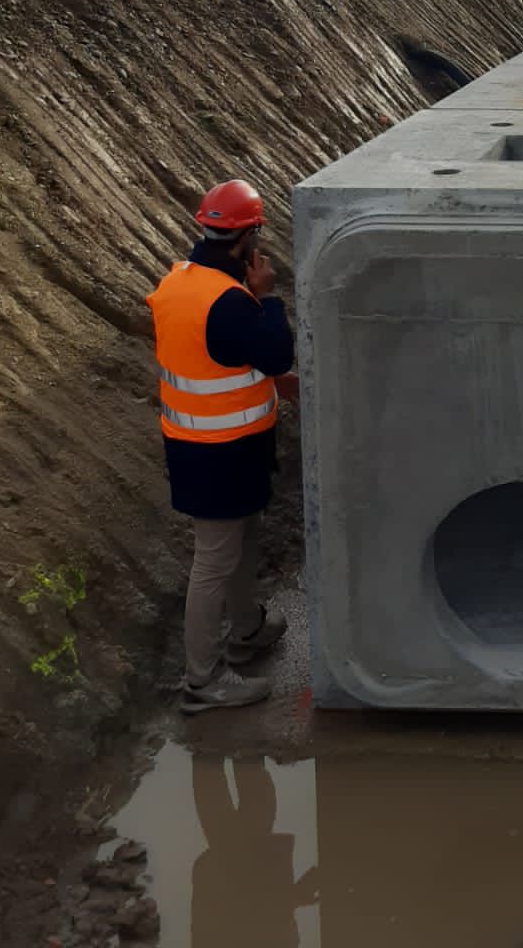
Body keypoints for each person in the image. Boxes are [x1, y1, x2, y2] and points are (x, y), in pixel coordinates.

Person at [147, 179, 297, 713]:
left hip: (206, 445)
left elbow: (224, 358)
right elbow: (277, 355)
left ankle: (248, 629)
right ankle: (202, 681)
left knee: (242, 539)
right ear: (248, 237)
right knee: (214, 560)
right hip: (220, 451)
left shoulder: (179, 283)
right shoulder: (230, 303)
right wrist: (270, 296)